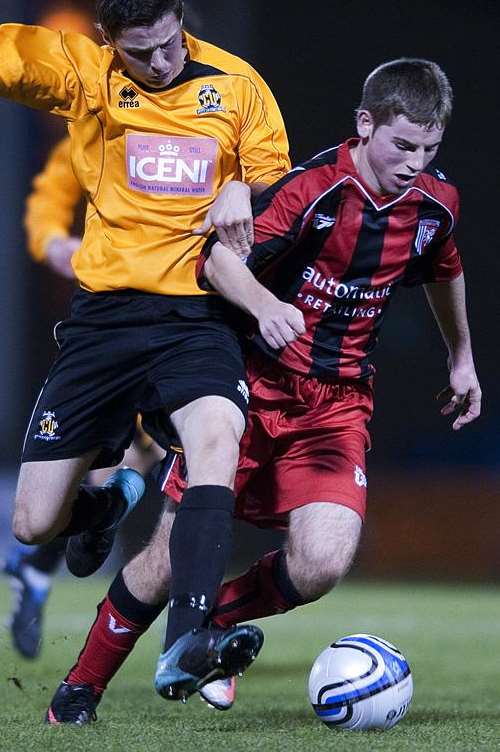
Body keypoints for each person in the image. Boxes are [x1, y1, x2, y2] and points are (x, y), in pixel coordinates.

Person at [46, 57, 481, 725]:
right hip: (250, 391)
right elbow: (215, 257)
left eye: (429, 149)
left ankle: (205, 627)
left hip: (336, 408)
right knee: (165, 559)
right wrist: (263, 307)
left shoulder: (435, 205)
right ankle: (78, 690)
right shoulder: (308, 190)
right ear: (365, 126)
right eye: (402, 145)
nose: (414, 162)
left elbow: (443, 265)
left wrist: (461, 357)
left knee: (320, 564)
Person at [0, 0, 290, 708]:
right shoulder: (83, 73)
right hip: (105, 322)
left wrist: (238, 186)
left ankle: (191, 634)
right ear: (106, 41)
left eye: (166, 45)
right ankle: (98, 512)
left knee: (216, 438)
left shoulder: (238, 84)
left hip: (196, 316)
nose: (158, 63)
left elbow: (274, 175)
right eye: (140, 53)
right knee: (34, 523)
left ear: (180, 22)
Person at [3, 135, 165, 660]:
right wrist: (55, 244)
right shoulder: (96, 133)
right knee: (107, 461)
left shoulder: (195, 128)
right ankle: (43, 564)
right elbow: (49, 199)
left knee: (154, 449)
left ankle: (41, 567)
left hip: (181, 321)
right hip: (105, 327)